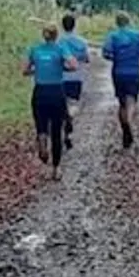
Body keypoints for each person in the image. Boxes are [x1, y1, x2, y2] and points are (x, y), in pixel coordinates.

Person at [24, 22, 77, 178]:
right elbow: (73, 65)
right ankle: (56, 168)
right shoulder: (61, 49)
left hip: (40, 91)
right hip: (56, 92)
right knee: (56, 130)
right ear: (56, 36)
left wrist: (38, 70)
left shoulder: (34, 49)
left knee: (41, 124)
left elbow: (25, 70)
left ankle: (42, 143)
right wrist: (62, 67)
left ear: (43, 35)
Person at [101, 11, 139, 150]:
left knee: (122, 103)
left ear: (117, 23)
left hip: (118, 73)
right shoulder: (138, 35)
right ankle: (129, 122)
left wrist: (116, 57)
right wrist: (138, 53)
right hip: (133, 72)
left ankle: (125, 128)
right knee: (131, 100)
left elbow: (105, 53)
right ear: (129, 21)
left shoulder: (112, 36)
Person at [59, 11, 92, 147]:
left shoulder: (58, 41)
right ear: (74, 25)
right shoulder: (82, 42)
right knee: (73, 104)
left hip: (59, 78)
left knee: (61, 105)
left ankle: (63, 129)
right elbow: (87, 59)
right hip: (76, 78)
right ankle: (70, 118)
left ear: (62, 25)